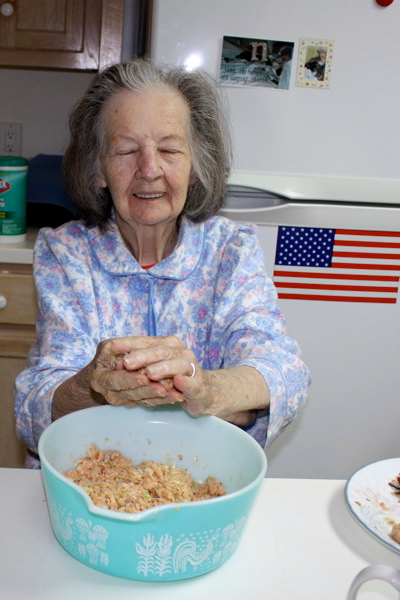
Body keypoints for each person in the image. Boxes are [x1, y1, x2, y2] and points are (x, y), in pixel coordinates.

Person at [14, 59, 310, 468]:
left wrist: (208, 388)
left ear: (195, 165)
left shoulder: (231, 250)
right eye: (126, 150)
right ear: (99, 168)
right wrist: (93, 383)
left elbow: (284, 372)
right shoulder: (66, 254)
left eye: (169, 149)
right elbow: (33, 408)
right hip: (83, 483)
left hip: (198, 480)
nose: (149, 169)